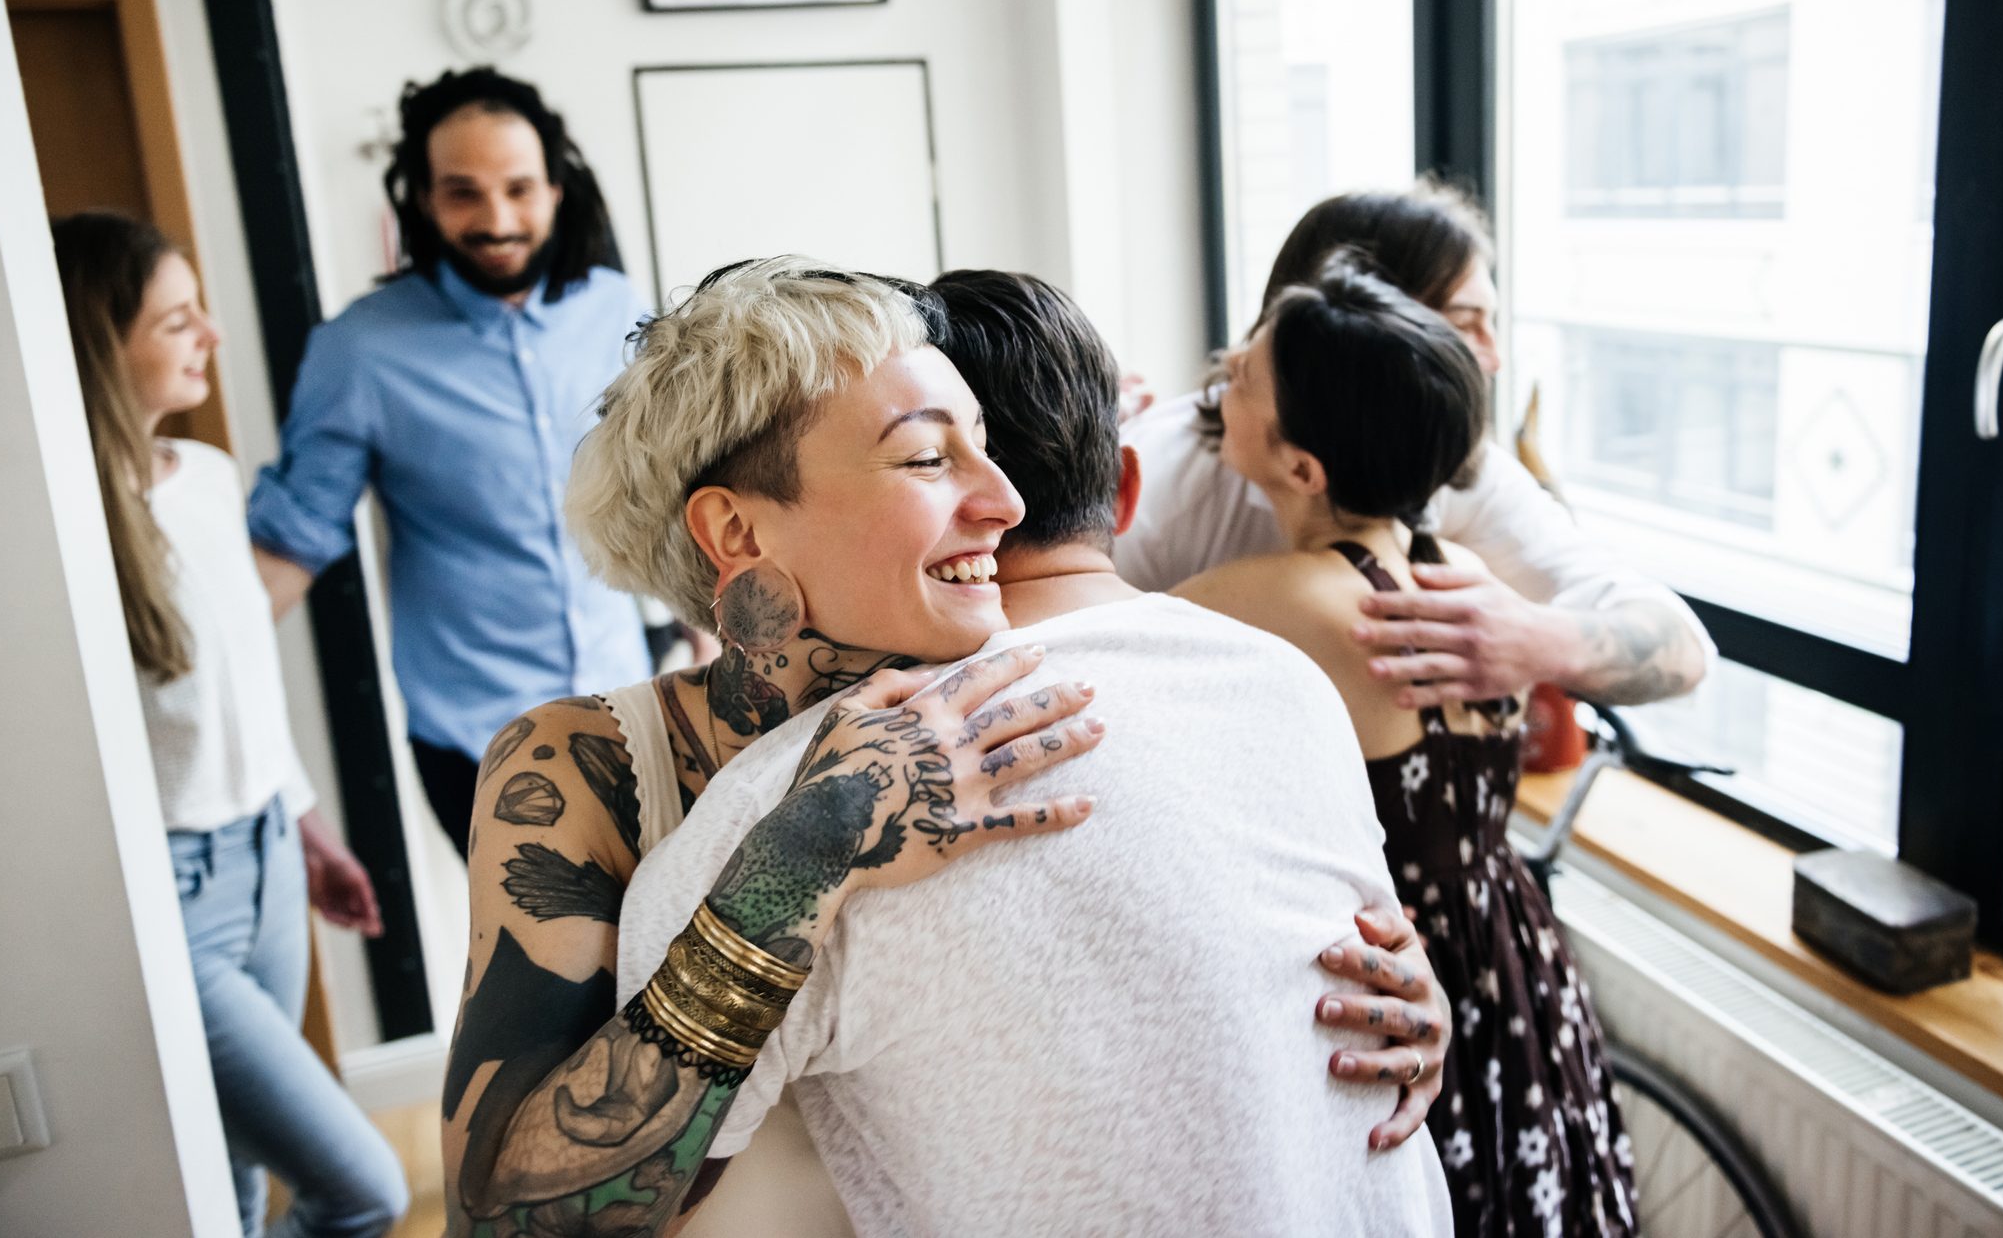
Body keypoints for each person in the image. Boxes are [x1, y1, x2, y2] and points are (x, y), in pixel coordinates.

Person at [608, 263, 1456, 1235]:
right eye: (926, 455)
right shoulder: (1283, 681)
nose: (996, 495)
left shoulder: (772, 815)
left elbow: (623, 1198)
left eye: (971, 445)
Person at [1177, 248, 1638, 1236]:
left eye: (1241, 379)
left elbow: (1090, 624)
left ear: (1300, 466)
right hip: (1503, 939)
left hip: (1399, 969)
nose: (1219, 383)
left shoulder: (1290, 597)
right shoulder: (1458, 567)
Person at [53, 211, 408, 1238]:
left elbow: (244, 691)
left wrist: (306, 830)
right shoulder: (60, 528)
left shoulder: (207, 481)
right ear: (99, 342)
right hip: (172, 896)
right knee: (364, 1190)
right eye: (175, 319)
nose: (209, 331)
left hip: (266, 861)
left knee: (238, 1184)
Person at [246, 67, 652, 856]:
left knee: (671, 955)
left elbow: (675, 484)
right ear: (423, 201)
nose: (497, 219)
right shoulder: (358, 351)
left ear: (556, 190)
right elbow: (291, 543)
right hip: (482, 744)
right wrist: (165, 663)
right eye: (464, 192)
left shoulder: (616, 307)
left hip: (636, 710)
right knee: (559, 976)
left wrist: (702, 631)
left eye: (519, 189)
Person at [1118, 182, 1713, 711]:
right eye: (1464, 321)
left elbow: (1683, 648)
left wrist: (1539, 641)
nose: (1492, 358)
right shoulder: (1161, 480)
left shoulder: (1466, 477)